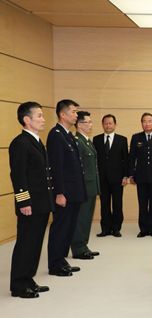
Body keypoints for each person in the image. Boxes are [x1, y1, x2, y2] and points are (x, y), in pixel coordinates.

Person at [9, 102, 54, 298]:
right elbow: (18, 176)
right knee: (26, 243)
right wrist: (23, 202)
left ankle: (28, 278)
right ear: (27, 120)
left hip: (42, 202)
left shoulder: (36, 141)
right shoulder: (21, 143)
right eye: (39, 116)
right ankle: (19, 284)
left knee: (35, 243)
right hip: (30, 204)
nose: (43, 119)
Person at [46, 99, 87, 277]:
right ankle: (55, 264)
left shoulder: (68, 134)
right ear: (62, 114)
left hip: (74, 191)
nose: (76, 115)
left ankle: (61, 260)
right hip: (65, 192)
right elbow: (57, 167)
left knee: (69, 227)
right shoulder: (55, 135)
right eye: (73, 112)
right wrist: (60, 192)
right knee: (61, 227)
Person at [128, 113, 152, 238]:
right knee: (143, 204)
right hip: (141, 177)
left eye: (149, 121)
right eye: (144, 121)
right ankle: (143, 229)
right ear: (141, 123)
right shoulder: (136, 137)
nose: (147, 124)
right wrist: (131, 174)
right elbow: (132, 157)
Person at [71, 111, 100, 260]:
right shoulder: (77, 141)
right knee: (81, 219)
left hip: (91, 186)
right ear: (79, 124)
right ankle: (78, 248)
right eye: (87, 122)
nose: (90, 124)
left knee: (87, 218)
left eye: (90, 122)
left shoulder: (87, 141)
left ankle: (84, 245)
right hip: (83, 187)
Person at [93, 114, 128, 237]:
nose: (108, 125)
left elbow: (126, 160)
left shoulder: (122, 140)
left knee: (117, 204)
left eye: (110, 123)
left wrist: (125, 176)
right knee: (104, 204)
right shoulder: (96, 139)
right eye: (105, 123)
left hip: (118, 178)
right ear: (102, 125)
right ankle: (105, 229)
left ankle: (116, 228)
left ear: (115, 124)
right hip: (102, 179)